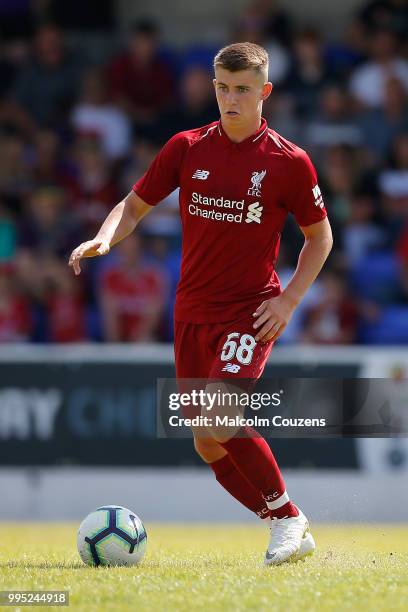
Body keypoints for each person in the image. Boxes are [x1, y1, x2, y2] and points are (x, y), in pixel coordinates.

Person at [69, 42, 333, 566]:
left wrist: (290, 300)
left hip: (250, 311)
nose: (229, 100)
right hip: (191, 312)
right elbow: (135, 204)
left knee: (219, 411)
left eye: (241, 90)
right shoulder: (187, 147)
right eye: (221, 88)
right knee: (207, 443)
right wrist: (104, 237)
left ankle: (286, 520)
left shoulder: (288, 162)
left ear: (265, 92)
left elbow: (319, 238)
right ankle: (287, 520)